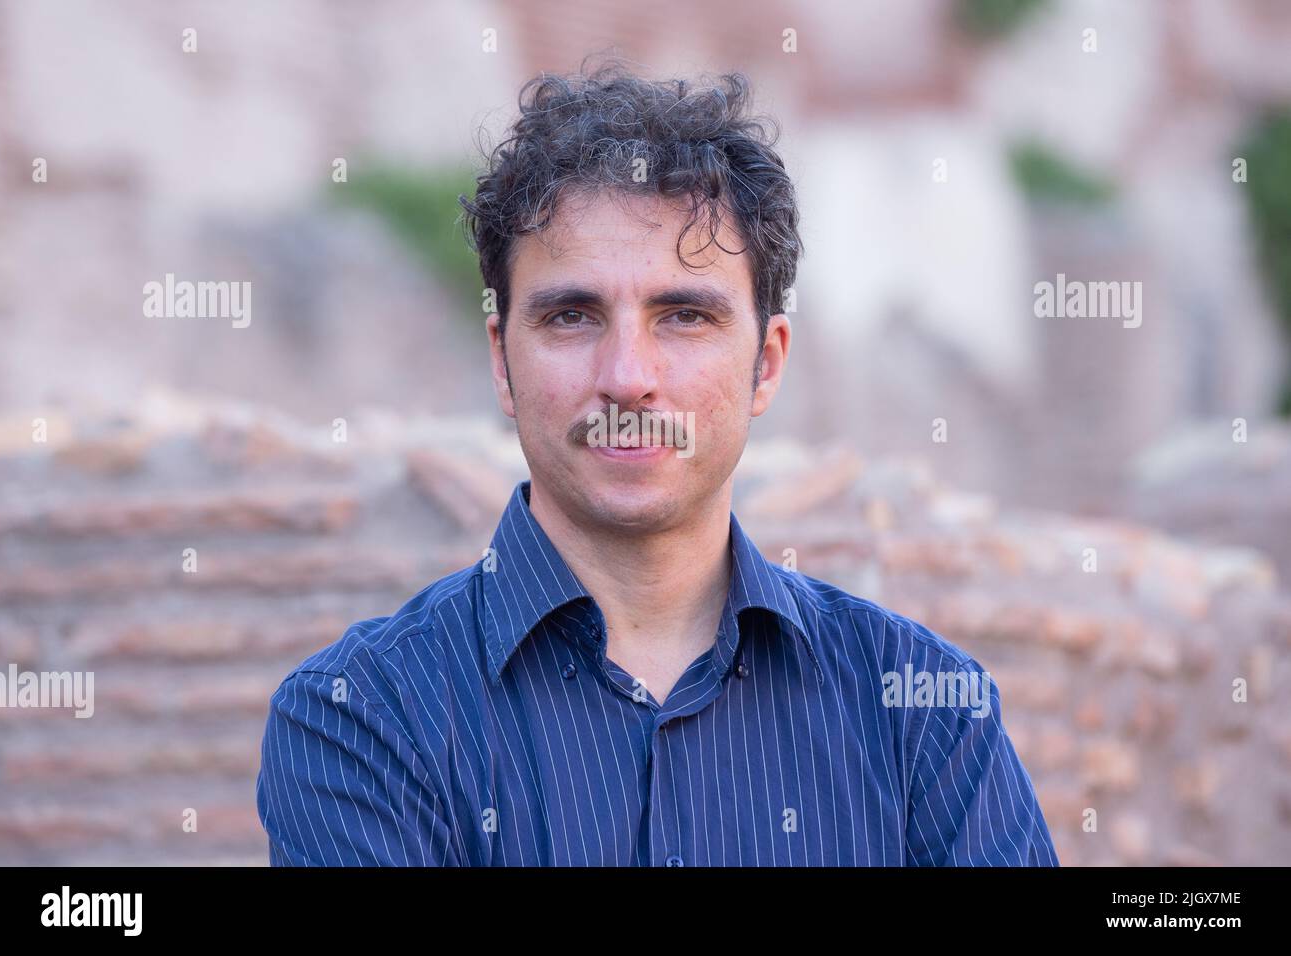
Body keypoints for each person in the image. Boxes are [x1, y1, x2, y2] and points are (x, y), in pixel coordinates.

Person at [256, 61, 1059, 867]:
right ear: (502, 360)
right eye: (572, 316)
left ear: (768, 364)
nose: (628, 376)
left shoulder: (927, 714)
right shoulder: (360, 717)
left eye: (684, 315)